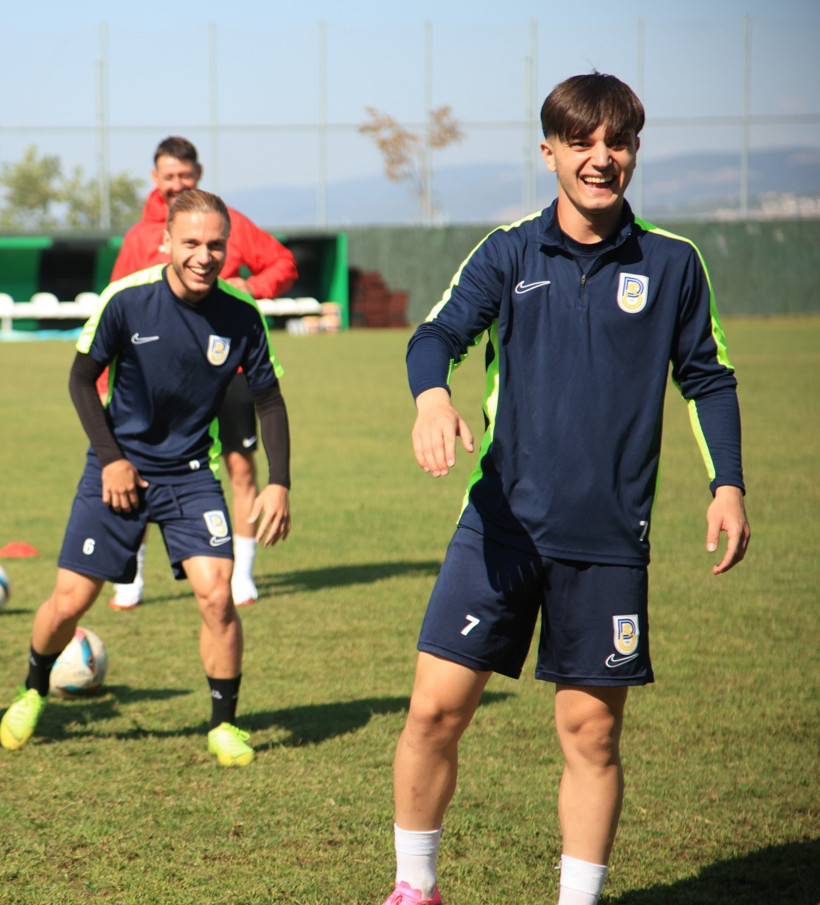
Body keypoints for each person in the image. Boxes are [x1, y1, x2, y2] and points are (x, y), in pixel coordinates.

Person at [379, 72, 750, 905]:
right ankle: (416, 887)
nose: (599, 158)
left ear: (634, 152)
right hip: (501, 527)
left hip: (610, 539)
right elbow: (437, 333)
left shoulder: (673, 264)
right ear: (548, 151)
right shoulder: (510, 251)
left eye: (615, 142)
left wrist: (728, 483)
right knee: (434, 711)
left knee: (590, 733)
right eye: (580, 142)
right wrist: (432, 394)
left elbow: (710, 378)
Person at [0, 189, 292, 767]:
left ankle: (223, 725)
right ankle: (32, 689)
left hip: (189, 474)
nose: (204, 256)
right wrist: (110, 458)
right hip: (118, 470)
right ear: (166, 242)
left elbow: (270, 399)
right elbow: (82, 380)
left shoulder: (240, 313)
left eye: (215, 245)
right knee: (69, 601)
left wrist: (278, 481)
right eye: (191, 243)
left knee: (217, 597)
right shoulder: (127, 300)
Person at [107, 135, 298, 610]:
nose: (177, 184)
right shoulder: (138, 238)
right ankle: (130, 576)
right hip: (154, 382)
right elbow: (114, 311)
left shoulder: (223, 220)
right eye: (169, 177)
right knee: (140, 466)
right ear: (156, 179)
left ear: (198, 175)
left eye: (185, 176)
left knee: (239, 464)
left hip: (227, 368)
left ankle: (242, 574)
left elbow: (283, 263)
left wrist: (248, 286)